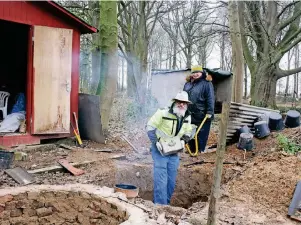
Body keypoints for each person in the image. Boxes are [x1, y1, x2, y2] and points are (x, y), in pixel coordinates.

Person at [146, 91, 193, 205]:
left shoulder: (187, 116)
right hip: (160, 151)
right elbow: (149, 127)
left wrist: (184, 140)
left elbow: (188, 131)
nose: (181, 105)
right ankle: (160, 206)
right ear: (175, 102)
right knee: (161, 181)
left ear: (187, 104)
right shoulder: (163, 113)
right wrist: (155, 142)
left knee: (171, 182)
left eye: (184, 103)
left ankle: (165, 205)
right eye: (179, 102)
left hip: (174, 151)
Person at [183, 65, 215, 153]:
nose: (195, 74)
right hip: (189, 113)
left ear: (201, 72)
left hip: (202, 114)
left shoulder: (207, 83)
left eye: (197, 72)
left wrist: (209, 111)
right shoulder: (188, 84)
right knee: (189, 132)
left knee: (201, 134)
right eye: (193, 72)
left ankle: (200, 150)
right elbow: (183, 97)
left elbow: (210, 98)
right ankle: (191, 150)